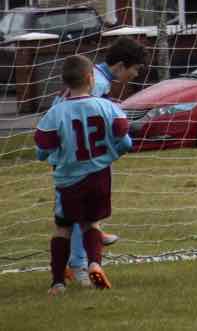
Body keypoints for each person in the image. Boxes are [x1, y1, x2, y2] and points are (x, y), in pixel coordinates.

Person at [35, 54, 133, 295]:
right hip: (99, 176)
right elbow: (125, 140)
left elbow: (42, 149)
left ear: (65, 82)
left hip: (69, 179)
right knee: (92, 223)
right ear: (91, 78)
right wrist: (111, 154)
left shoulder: (56, 112)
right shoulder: (107, 107)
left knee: (63, 228)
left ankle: (58, 282)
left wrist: (54, 155)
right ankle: (94, 264)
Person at [59, 37, 145, 286]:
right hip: (81, 160)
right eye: (135, 69)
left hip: (73, 156)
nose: (136, 74)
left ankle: (85, 245)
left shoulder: (93, 75)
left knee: (77, 213)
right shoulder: (97, 84)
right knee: (80, 214)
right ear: (120, 65)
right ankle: (78, 265)